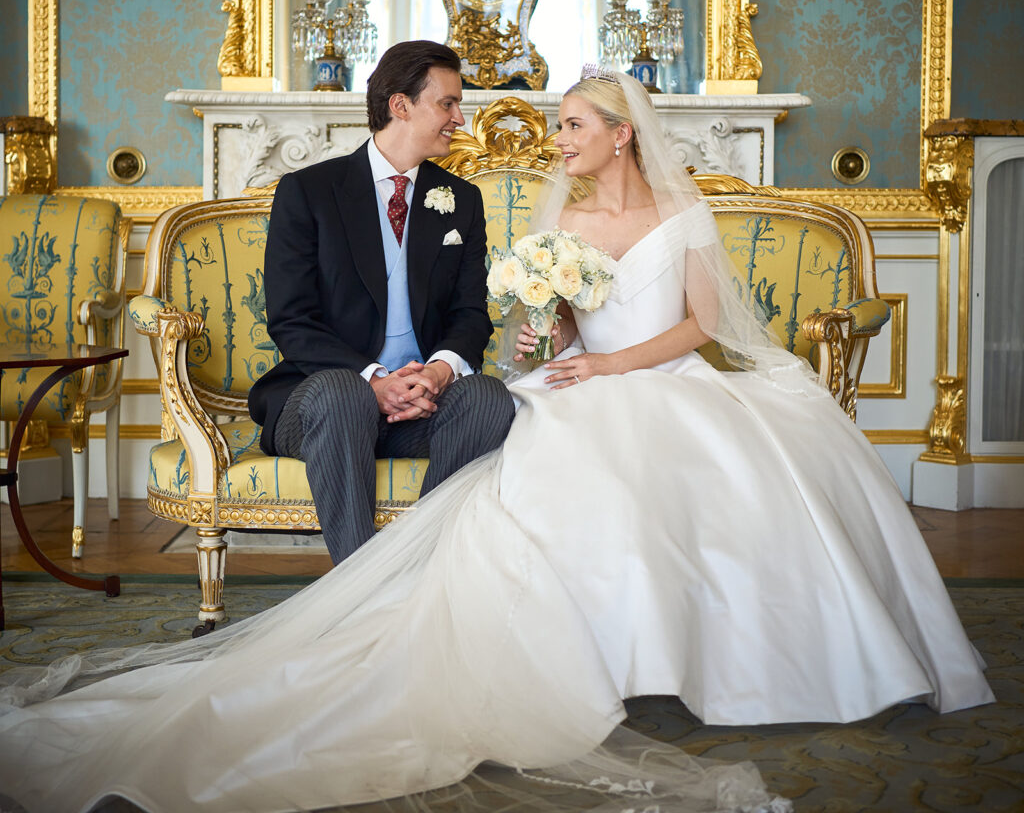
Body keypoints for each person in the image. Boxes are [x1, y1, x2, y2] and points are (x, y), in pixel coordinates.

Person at [0, 67, 993, 813]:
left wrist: (577, 362)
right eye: (453, 104)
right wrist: (546, 328)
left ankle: (678, 665)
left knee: (640, 461)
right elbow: (536, 330)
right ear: (402, 104)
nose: (550, 139)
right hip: (546, 378)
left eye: (570, 125)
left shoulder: (676, 215)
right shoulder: (509, 212)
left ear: (618, 135)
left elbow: (696, 325)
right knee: (522, 443)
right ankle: (406, 614)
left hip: (659, 380)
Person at [248, 39, 516, 563]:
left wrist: (439, 372)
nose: (460, 118)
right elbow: (292, 320)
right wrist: (374, 380)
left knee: (488, 397)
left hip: (422, 403)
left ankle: (422, 575)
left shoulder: (462, 199)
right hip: (324, 402)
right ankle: (361, 589)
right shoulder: (308, 192)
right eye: (448, 104)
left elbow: (469, 314)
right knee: (342, 393)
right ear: (400, 105)